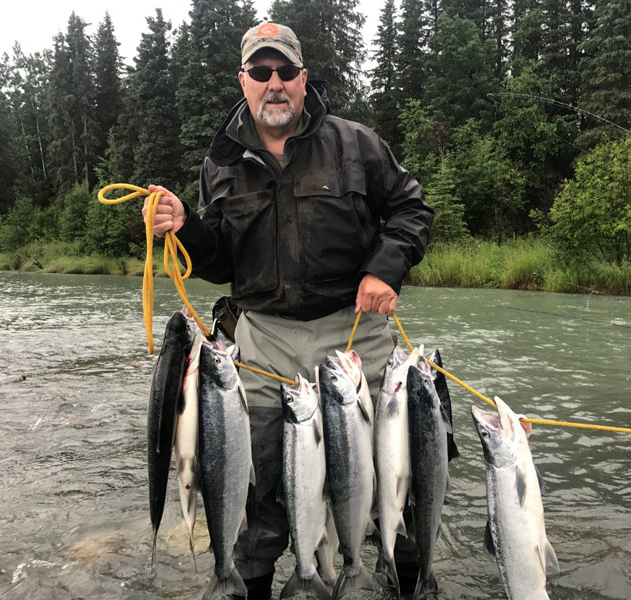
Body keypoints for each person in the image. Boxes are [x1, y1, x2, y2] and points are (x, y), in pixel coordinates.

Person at [142, 22, 433, 599]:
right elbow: (221, 259)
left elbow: (411, 209)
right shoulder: (220, 164)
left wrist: (386, 266)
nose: (273, 84)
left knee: (389, 475)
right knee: (258, 478)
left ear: (303, 79)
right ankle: (247, 580)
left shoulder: (356, 143)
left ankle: (412, 577)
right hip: (264, 336)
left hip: (354, 331)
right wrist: (186, 228)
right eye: (260, 72)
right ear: (243, 82)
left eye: (284, 72)